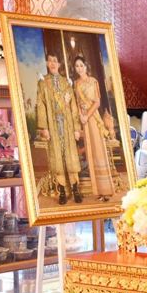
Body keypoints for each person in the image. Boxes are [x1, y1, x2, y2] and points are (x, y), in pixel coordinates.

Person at [36, 52, 83, 205]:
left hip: (68, 126)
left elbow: (74, 107)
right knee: (57, 158)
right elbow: (41, 105)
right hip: (53, 125)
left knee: (70, 157)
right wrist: (44, 127)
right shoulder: (43, 83)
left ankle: (76, 189)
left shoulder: (66, 83)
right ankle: (62, 191)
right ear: (47, 63)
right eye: (50, 61)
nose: (53, 63)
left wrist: (76, 128)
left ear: (60, 64)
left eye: (55, 61)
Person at [73, 55, 115, 202]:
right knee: (90, 153)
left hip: (93, 118)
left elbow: (97, 103)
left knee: (99, 151)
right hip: (84, 119)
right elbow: (77, 103)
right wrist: (81, 116)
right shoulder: (76, 83)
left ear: (86, 66)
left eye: (81, 65)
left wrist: (87, 116)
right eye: (77, 66)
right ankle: (98, 191)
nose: (79, 68)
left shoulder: (93, 82)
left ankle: (106, 190)